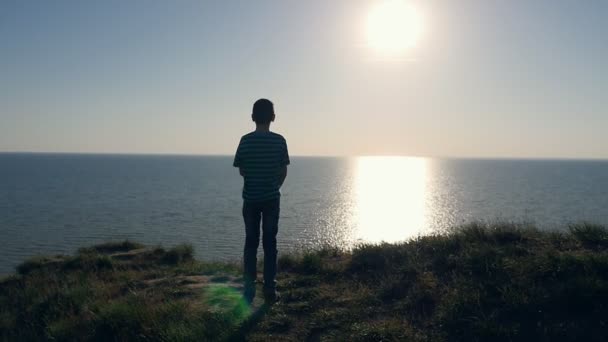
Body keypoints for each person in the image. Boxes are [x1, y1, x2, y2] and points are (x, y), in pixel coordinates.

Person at [233, 98, 289, 305]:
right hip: (272, 199)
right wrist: (274, 186)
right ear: (273, 117)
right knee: (270, 244)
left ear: (252, 117)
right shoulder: (280, 141)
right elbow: (283, 171)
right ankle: (270, 290)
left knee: (250, 243)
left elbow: (242, 169)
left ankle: (248, 290)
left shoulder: (245, 140)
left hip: (250, 199)